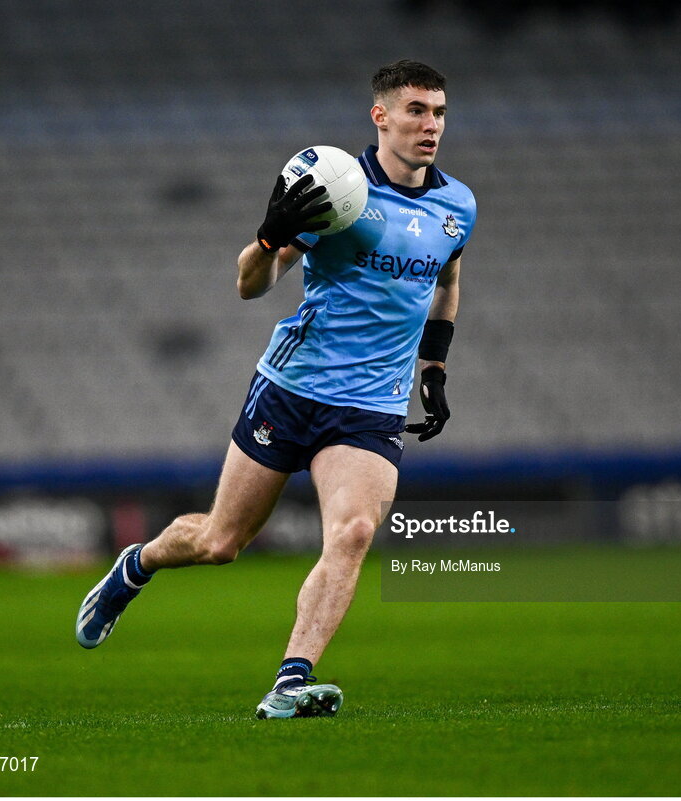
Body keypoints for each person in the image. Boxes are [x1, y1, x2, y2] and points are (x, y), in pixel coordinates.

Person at [75, 60, 477, 719]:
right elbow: (250, 284)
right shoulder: (336, 187)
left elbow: (447, 276)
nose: (429, 124)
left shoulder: (458, 204)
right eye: (415, 111)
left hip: (372, 405)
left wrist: (434, 367)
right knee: (219, 542)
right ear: (380, 117)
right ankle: (134, 567)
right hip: (292, 386)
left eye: (437, 112)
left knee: (350, 532)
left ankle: (291, 679)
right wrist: (267, 237)